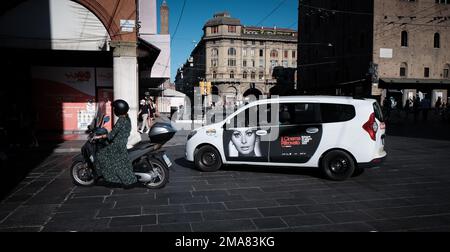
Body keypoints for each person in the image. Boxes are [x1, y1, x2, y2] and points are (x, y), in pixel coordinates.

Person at [94, 99, 138, 188]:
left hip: (116, 145)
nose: (114, 111)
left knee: (100, 155)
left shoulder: (121, 120)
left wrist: (99, 137)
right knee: (121, 164)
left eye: (115, 109)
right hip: (122, 144)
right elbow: (118, 132)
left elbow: (112, 135)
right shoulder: (127, 118)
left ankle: (111, 178)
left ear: (119, 110)